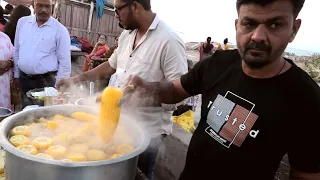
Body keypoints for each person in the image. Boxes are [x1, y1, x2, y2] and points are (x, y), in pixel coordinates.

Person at [125, 0, 320, 180]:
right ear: (237, 26)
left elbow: (306, 174)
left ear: (294, 29)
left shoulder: (307, 99)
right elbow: (175, 90)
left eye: (275, 24)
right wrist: (148, 89)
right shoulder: (218, 64)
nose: (258, 36)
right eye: (249, 24)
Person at [56, 0, 188, 179]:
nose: (115, 13)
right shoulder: (127, 35)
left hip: (148, 133)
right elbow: (110, 66)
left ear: (134, 6)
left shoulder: (169, 41)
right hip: (118, 125)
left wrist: (143, 95)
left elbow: (181, 96)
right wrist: (77, 78)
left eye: (118, 9)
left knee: (138, 175)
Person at [13, 0, 71, 108]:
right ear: (33, 5)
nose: (43, 9)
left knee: (44, 116)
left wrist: (57, 89)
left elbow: (65, 63)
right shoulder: (22, 23)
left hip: (46, 83)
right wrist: (16, 75)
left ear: (52, 7)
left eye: (47, 6)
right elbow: (17, 50)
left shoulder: (60, 30)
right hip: (24, 79)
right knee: (26, 114)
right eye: (39, 5)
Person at [0, 32, 14, 110]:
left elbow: (15, 57)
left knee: (3, 118)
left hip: (4, 90)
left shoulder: (4, 37)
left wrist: (8, 63)